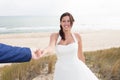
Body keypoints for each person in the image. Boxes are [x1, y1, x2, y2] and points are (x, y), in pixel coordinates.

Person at [37, 12, 99, 80]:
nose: (66, 23)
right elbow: (51, 47)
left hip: (76, 69)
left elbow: (81, 56)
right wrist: (44, 51)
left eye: (68, 21)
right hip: (61, 71)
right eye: (64, 21)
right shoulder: (55, 36)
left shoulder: (77, 37)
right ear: (60, 23)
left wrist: (84, 70)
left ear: (72, 22)